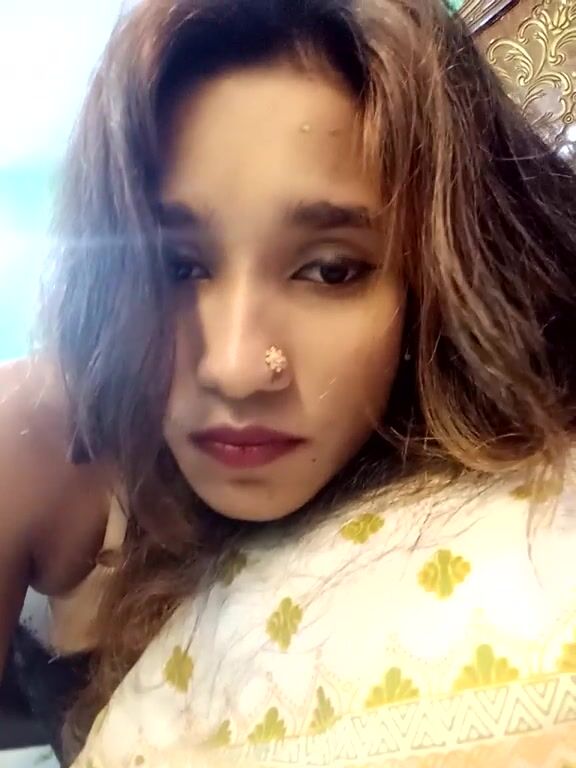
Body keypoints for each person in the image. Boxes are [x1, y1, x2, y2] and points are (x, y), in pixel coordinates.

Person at [1, 0, 575, 764]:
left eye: (330, 270)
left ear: (441, 274)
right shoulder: (34, 432)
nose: (236, 368)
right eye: (177, 266)